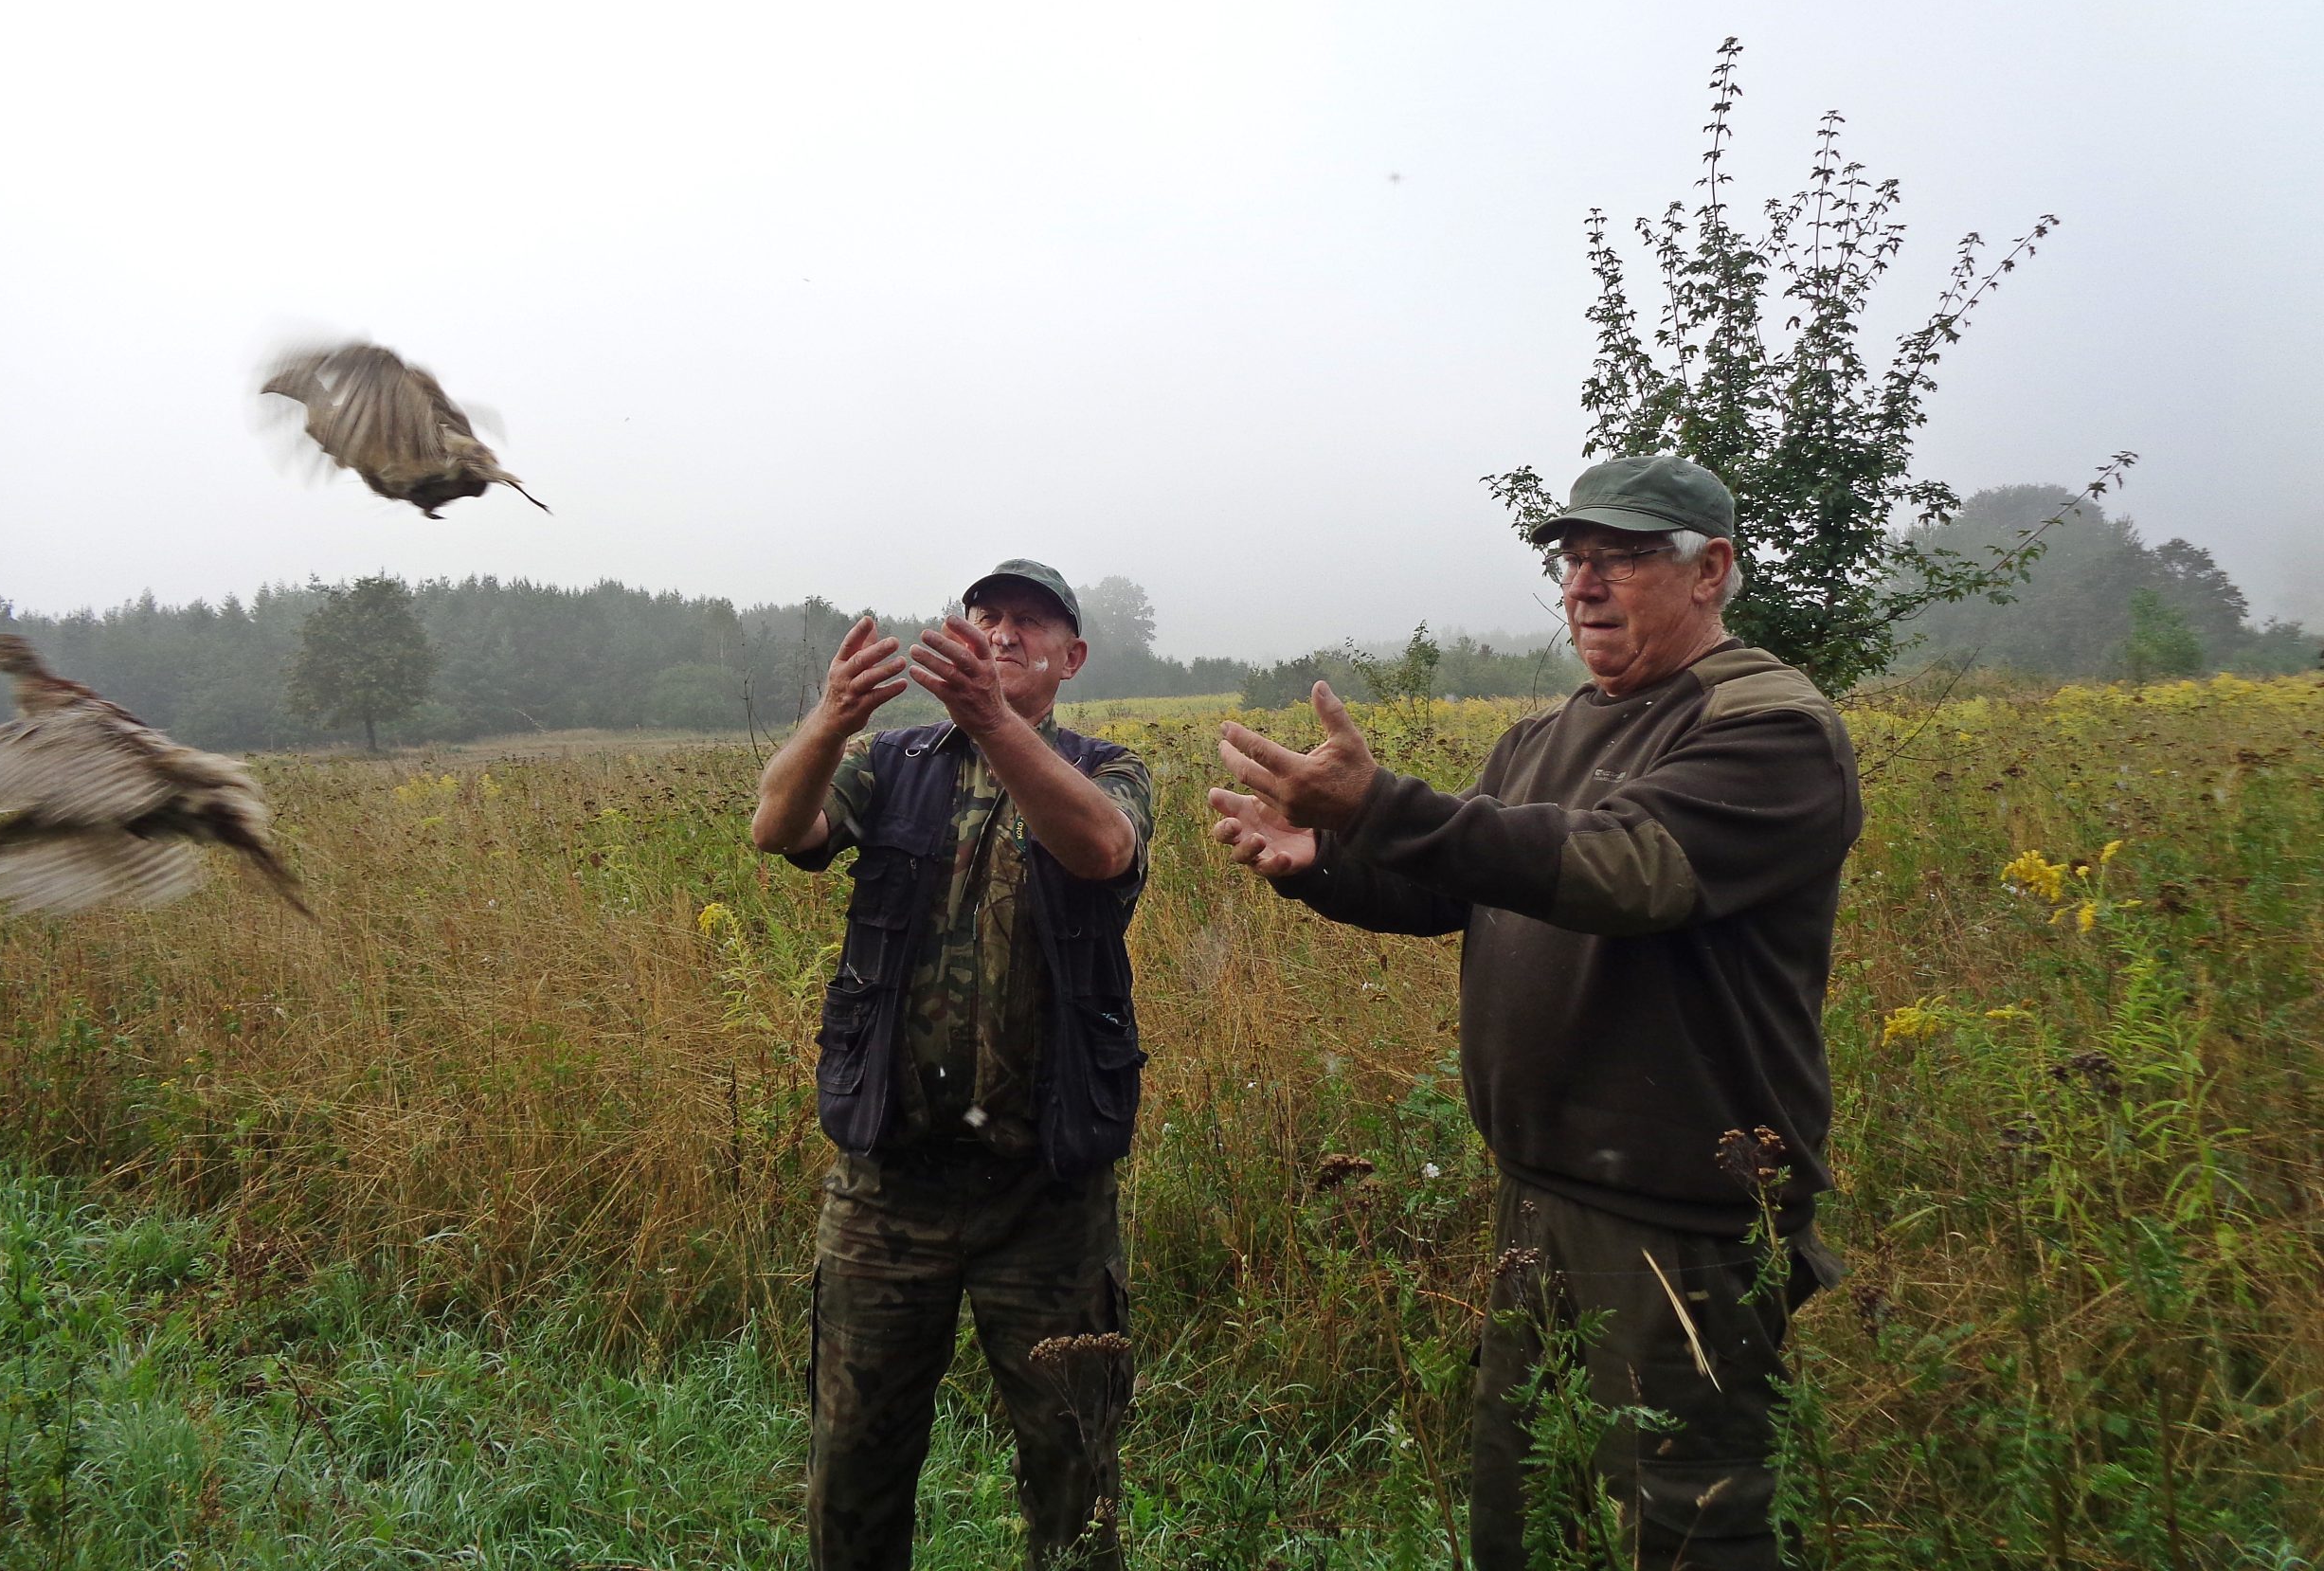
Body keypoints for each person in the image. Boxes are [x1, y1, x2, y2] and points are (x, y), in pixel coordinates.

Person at [1208, 456, 1859, 1569]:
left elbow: (1625, 871)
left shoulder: (1773, 728)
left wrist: (1382, 803)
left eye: (1622, 558)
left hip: (1681, 1212)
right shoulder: (1542, 737)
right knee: (1526, 1507)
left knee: (1692, 1520)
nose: (1584, 585)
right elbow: (1461, 891)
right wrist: (1325, 862)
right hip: (1539, 1189)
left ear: (1711, 570)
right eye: (1572, 560)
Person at [750, 560, 1155, 1571]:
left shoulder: (1109, 769)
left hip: (1046, 1200)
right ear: (960, 636)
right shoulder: (889, 764)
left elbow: (1102, 849)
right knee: (854, 1466)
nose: (1005, 632)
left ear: (1073, 657)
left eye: (1030, 622)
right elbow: (778, 827)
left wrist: (993, 727)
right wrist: (832, 719)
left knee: (1074, 1483)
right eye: (987, 616)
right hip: (887, 1194)